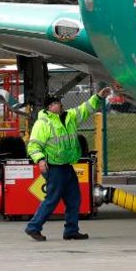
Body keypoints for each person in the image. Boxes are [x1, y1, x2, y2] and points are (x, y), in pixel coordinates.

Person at [24, 85, 112, 241]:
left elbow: (86, 108)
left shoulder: (69, 116)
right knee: (52, 199)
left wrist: (99, 97)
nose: (60, 104)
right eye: (57, 102)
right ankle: (33, 227)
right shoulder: (43, 123)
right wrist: (40, 160)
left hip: (66, 166)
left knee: (74, 198)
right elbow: (34, 145)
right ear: (50, 107)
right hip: (54, 167)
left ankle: (71, 230)